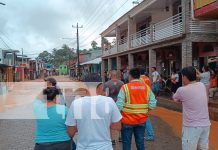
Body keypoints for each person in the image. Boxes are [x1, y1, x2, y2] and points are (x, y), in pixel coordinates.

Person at [65, 83, 122, 150]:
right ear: (97, 89)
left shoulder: (76, 103)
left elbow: (70, 132)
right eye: (104, 90)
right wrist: (105, 122)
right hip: (105, 147)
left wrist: (81, 126)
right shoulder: (109, 101)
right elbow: (118, 126)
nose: (105, 93)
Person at [116, 68, 157, 150]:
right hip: (141, 120)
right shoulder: (146, 88)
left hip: (127, 121)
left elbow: (119, 106)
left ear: (130, 76)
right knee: (140, 143)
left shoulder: (125, 87)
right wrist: (145, 110)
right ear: (139, 76)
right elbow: (153, 104)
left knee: (126, 144)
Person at [173, 66, 210, 150]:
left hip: (191, 127)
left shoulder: (182, 90)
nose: (182, 78)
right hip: (205, 125)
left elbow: (175, 98)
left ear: (185, 77)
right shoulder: (201, 85)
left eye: (182, 76)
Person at [103, 70, 124, 145]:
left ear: (110, 75)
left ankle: (113, 140)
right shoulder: (121, 83)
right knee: (120, 120)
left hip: (110, 104)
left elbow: (106, 94)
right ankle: (121, 137)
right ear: (117, 75)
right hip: (120, 105)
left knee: (111, 122)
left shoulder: (107, 84)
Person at [139, 70, 155, 141]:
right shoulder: (147, 78)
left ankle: (150, 135)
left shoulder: (140, 79)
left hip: (142, 99)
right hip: (148, 97)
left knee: (145, 118)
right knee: (144, 117)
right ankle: (146, 134)